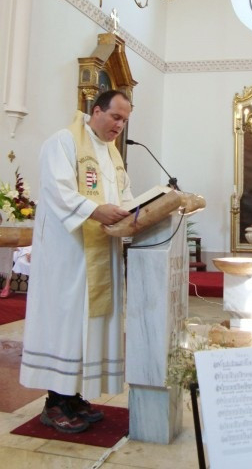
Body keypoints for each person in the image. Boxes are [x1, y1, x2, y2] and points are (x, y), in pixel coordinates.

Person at [20, 90, 132, 434]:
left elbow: (124, 194)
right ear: (96, 111)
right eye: (115, 117)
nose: (120, 125)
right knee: (66, 323)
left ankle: (73, 395)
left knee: (89, 325)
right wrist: (96, 210)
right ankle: (55, 402)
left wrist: (136, 212)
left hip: (100, 253)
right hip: (68, 256)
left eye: (125, 120)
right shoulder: (63, 142)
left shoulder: (111, 153)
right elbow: (58, 191)